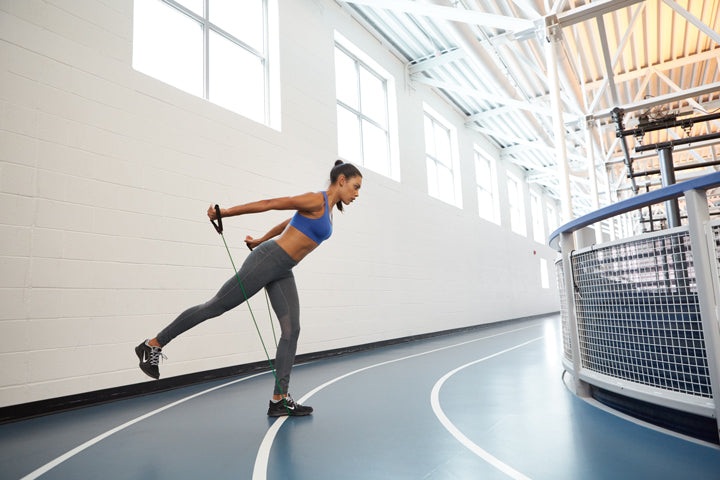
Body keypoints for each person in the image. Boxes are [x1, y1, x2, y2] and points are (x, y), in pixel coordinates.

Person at [135, 161, 362, 416]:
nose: (356, 194)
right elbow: (270, 204)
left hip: (283, 268)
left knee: (292, 329)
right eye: (355, 187)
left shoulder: (328, 211)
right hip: (269, 261)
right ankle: (153, 344)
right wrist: (225, 213)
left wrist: (259, 239)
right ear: (341, 180)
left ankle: (279, 399)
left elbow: (287, 224)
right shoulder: (316, 200)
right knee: (215, 306)